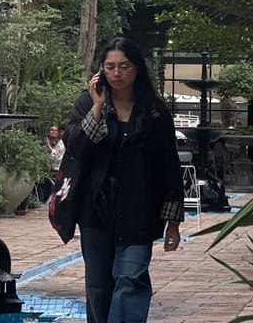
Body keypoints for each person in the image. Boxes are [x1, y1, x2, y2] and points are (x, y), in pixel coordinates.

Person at [65, 36, 184, 323]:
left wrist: (173, 222)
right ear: (101, 70)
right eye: (110, 66)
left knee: (131, 278)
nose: (116, 73)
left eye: (124, 66)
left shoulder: (154, 111)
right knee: (99, 286)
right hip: (95, 212)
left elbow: (169, 165)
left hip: (140, 212)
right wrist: (96, 107)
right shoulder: (88, 103)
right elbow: (76, 147)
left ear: (137, 70)